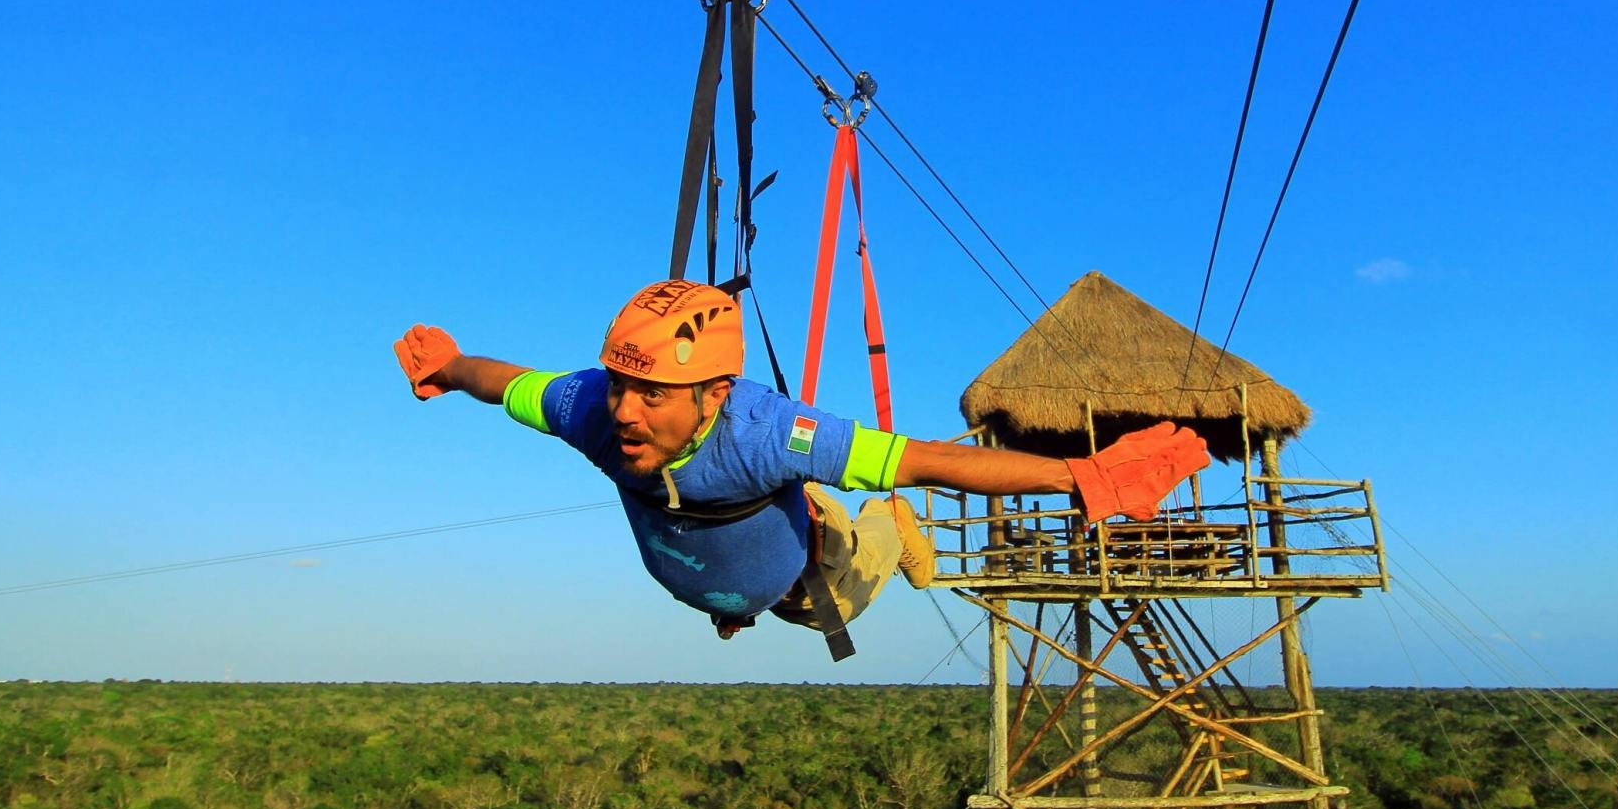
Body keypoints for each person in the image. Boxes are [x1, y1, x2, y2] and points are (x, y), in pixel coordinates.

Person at [394, 280, 1210, 647]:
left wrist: (1085, 480)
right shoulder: (590, 407)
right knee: (762, 576)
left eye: (650, 395)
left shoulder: (770, 433)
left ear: (713, 392)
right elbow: (503, 384)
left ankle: (890, 535)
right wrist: (450, 364)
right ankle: (749, 592)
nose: (625, 413)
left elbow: (926, 461)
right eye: (619, 387)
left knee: (841, 597)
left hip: (811, 561)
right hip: (735, 567)